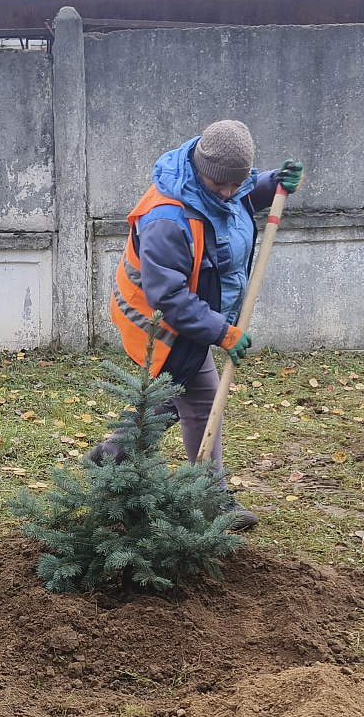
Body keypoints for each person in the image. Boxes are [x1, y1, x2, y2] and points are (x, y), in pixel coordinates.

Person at [100, 119, 302, 528]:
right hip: (159, 323)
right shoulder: (167, 218)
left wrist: (269, 185)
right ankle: (210, 498)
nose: (228, 192)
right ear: (199, 168)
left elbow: (238, 198)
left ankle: (106, 462)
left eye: (237, 182)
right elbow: (169, 296)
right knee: (202, 397)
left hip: (196, 315)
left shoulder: (223, 187)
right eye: (219, 184)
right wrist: (222, 332)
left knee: (167, 399)